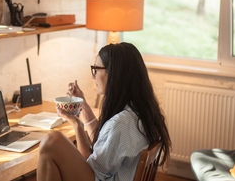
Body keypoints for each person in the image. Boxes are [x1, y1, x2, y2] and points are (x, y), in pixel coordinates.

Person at [37, 42, 172, 181]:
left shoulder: (121, 124)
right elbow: (104, 143)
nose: (93, 76)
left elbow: (90, 165)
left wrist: (77, 126)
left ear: (114, 73)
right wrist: (81, 108)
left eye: (96, 69)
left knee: (51, 142)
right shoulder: (139, 112)